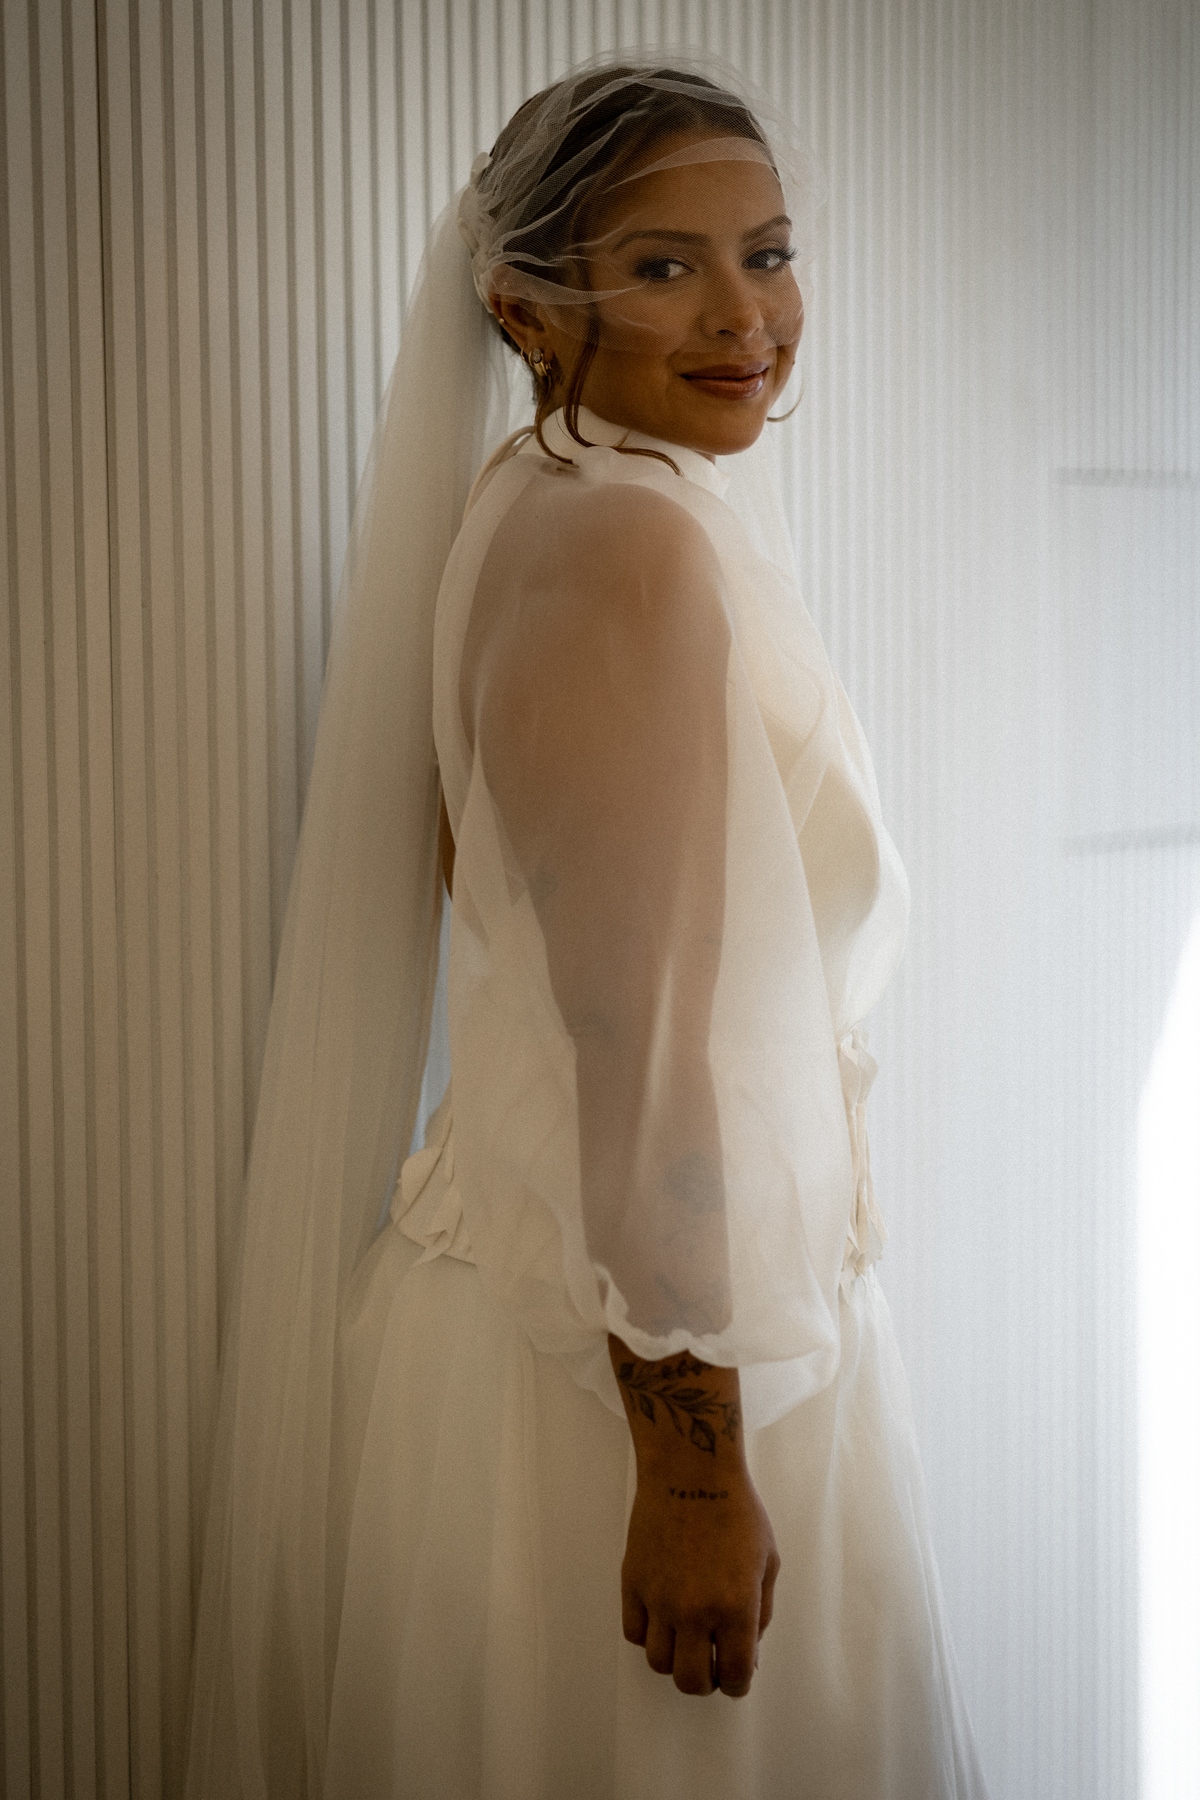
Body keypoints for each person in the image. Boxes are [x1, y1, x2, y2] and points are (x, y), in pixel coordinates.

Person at [185, 57, 990, 1800]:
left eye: (767, 252)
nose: (745, 315)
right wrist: (691, 1472)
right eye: (663, 266)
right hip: (616, 1385)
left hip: (606, 1314)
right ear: (523, 306)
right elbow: (636, 1034)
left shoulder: (564, 498)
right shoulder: (625, 548)